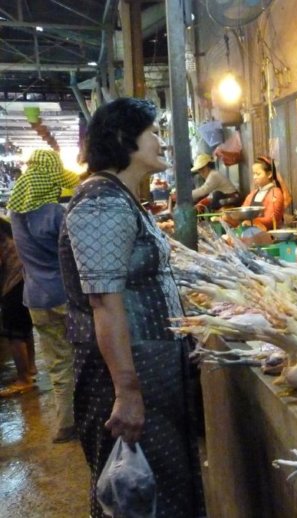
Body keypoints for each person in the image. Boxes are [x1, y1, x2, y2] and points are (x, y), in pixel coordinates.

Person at [58, 97, 205, 517]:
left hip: (149, 364)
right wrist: (126, 392)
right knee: (139, 493)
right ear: (125, 139)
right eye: (153, 132)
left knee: (164, 484)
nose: (162, 141)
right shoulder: (100, 202)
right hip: (127, 370)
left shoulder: (118, 197)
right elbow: (105, 302)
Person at [8, 148, 81, 442]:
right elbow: (75, 254)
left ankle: (65, 423)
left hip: (35, 299)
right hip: (64, 295)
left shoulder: (15, 215)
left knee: (57, 362)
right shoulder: (55, 213)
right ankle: (86, 416)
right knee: (81, 356)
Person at [0, 218, 35, 398]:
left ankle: (24, 379)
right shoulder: (8, 227)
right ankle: (31, 368)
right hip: (26, 279)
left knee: (14, 334)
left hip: (13, 284)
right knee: (24, 329)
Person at [222, 155, 287, 230]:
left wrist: (252, 222)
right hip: (251, 230)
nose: (254, 177)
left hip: (268, 233)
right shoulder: (253, 193)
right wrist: (230, 216)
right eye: (254, 174)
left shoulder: (275, 193)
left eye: (258, 174)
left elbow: (271, 220)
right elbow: (242, 212)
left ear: (269, 174)